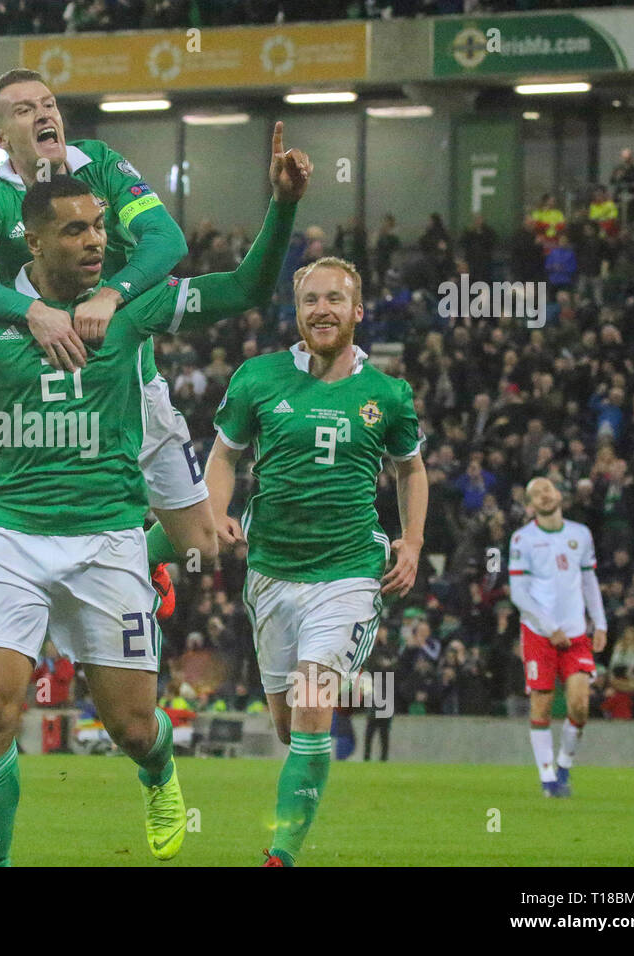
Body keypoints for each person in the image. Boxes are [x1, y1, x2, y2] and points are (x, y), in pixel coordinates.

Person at [0, 129, 308, 865]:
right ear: (34, 243)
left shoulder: (132, 309)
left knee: (135, 728)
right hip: (11, 536)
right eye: (75, 229)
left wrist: (283, 208)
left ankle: (160, 773)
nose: (95, 241)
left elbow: (244, 290)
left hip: (108, 538)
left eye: (101, 226)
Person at [0, 68, 212, 611]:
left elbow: (166, 239)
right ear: (0, 138)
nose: (43, 114)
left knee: (202, 545)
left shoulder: (101, 165)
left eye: (49, 104)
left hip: (128, 384)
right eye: (23, 110)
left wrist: (113, 292)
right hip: (40, 395)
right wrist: (31, 310)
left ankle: (142, 557)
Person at [204, 254, 427, 867]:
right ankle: (298, 797)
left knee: (311, 703)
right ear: (296, 311)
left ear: (357, 311)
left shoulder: (387, 394)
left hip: (350, 573)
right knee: (288, 727)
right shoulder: (257, 379)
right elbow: (224, 455)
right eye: (309, 300)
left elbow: (411, 468)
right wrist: (217, 510)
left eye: (334, 300)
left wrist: (410, 542)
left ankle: (280, 854)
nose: (321, 310)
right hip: (272, 573)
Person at [507, 476, 607, 797]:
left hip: (576, 633)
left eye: (547, 489)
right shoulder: (522, 540)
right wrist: (551, 628)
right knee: (543, 703)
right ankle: (548, 778)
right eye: (536, 494)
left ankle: (564, 764)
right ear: (530, 506)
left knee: (579, 704)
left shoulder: (581, 534)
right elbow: (519, 595)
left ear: (559, 493)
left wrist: (600, 623)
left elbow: (589, 581)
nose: (544, 496)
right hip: (539, 633)